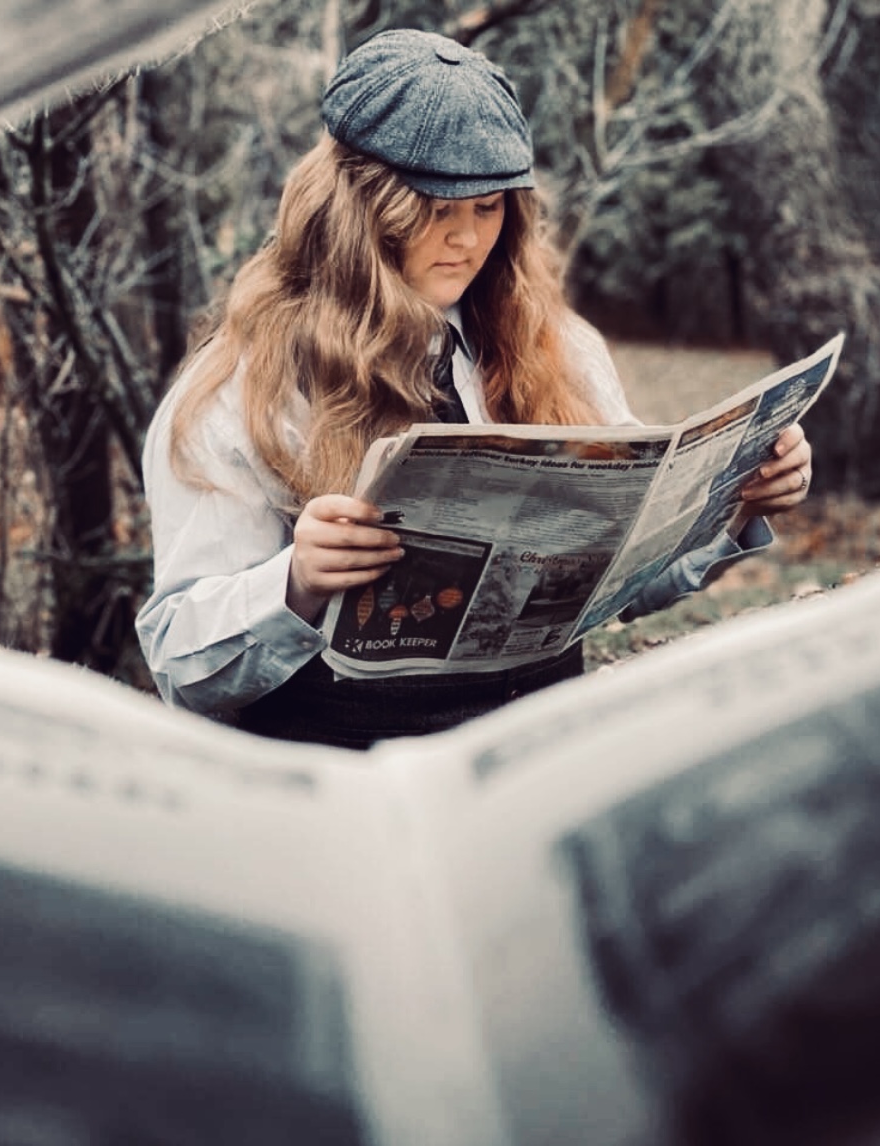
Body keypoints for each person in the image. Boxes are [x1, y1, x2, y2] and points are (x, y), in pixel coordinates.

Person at [135, 28, 813, 749]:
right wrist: (295, 581)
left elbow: (620, 581)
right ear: (358, 208)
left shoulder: (557, 351)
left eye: (487, 208)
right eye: (436, 209)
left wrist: (732, 505)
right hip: (347, 786)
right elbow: (180, 659)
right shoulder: (241, 392)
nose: (465, 238)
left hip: (537, 759)